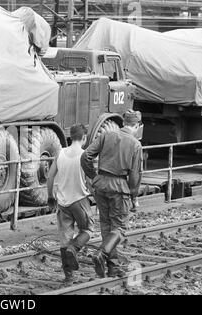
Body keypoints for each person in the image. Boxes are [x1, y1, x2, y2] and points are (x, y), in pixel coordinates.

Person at [81, 109, 143, 278]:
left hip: (101, 185)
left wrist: (94, 177)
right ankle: (101, 253)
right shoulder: (135, 144)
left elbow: (86, 156)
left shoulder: (106, 135)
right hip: (119, 187)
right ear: (136, 126)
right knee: (120, 228)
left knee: (107, 227)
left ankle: (113, 267)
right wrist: (133, 196)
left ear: (124, 123)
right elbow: (135, 175)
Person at [47, 124, 93, 283]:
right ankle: (74, 248)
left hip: (62, 203)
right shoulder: (85, 155)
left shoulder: (60, 153)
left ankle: (68, 277)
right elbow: (90, 181)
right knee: (88, 229)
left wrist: (50, 197)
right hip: (80, 200)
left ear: (70, 137)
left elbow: (50, 177)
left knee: (64, 238)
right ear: (84, 138)